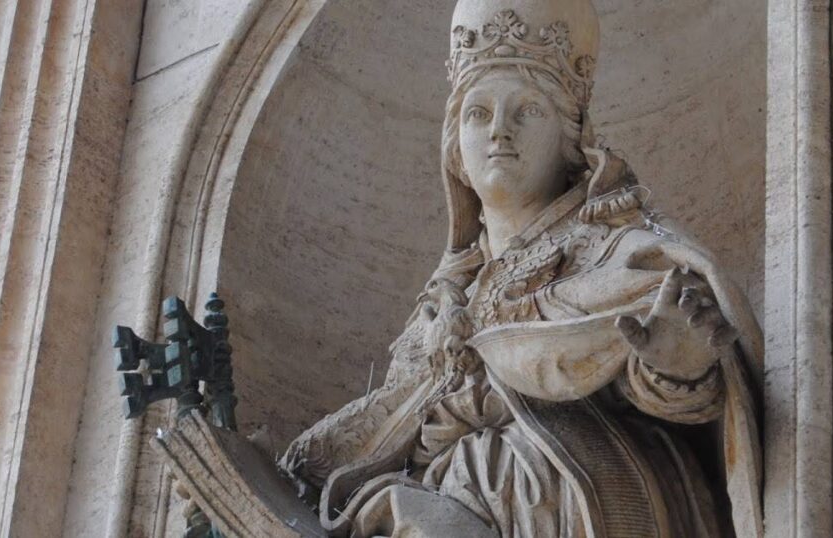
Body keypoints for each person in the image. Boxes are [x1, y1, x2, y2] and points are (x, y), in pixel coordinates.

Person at [279, 1, 763, 536]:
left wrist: (677, 369)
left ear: (571, 140)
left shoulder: (622, 252)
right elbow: (391, 437)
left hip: (578, 500)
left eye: (527, 111)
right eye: (478, 113)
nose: (499, 132)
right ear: (455, 151)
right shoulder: (439, 305)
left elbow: (699, 403)